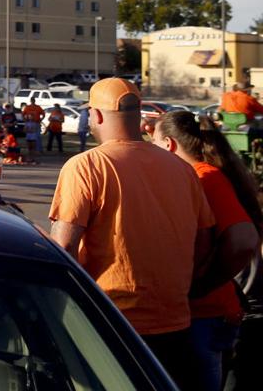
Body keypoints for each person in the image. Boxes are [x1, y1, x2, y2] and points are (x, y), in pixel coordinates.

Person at [50, 78, 215, 390]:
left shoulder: (86, 166)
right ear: (139, 114)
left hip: (112, 323)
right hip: (176, 324)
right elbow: (204, 241)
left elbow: (63, 246)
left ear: (95, 116)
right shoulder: (182, 169)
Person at [151, 111, 262, 391]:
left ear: (169, 145)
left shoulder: (205, 178)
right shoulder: (196, 176)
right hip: (203, 314)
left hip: (207, 314)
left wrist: (203, 285)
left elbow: (243, 241)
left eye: (152, 140)